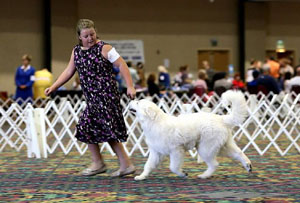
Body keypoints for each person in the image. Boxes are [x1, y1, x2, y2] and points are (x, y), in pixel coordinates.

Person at [45, 19, 136, 177]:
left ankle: (115, 164)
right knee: (90, 128)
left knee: (101, 129)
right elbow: (68, 71)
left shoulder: (105, 48)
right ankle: (107, 163)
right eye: (86, 36)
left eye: (92, 34)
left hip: (107, 96)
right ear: (79, 36)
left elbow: (122, 65)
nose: (90, 38)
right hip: (92, 99)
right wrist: (54, 86)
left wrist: (130, 85)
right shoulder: (76, 52)